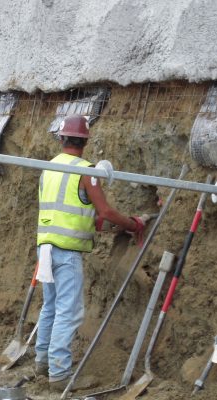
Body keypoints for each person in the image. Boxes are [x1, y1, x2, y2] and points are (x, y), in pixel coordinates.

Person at [35, 114, 150, 391]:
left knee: (50, 306)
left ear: (61, 138)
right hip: (67, 251)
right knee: (69, 312)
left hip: (45, 247)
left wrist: (92, 221)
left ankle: (42, 363)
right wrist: (134, 225)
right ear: (86, 141)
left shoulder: (47, 168)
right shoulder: (88, 171)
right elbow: (106, 211)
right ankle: (59, 374)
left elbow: (66, 206)